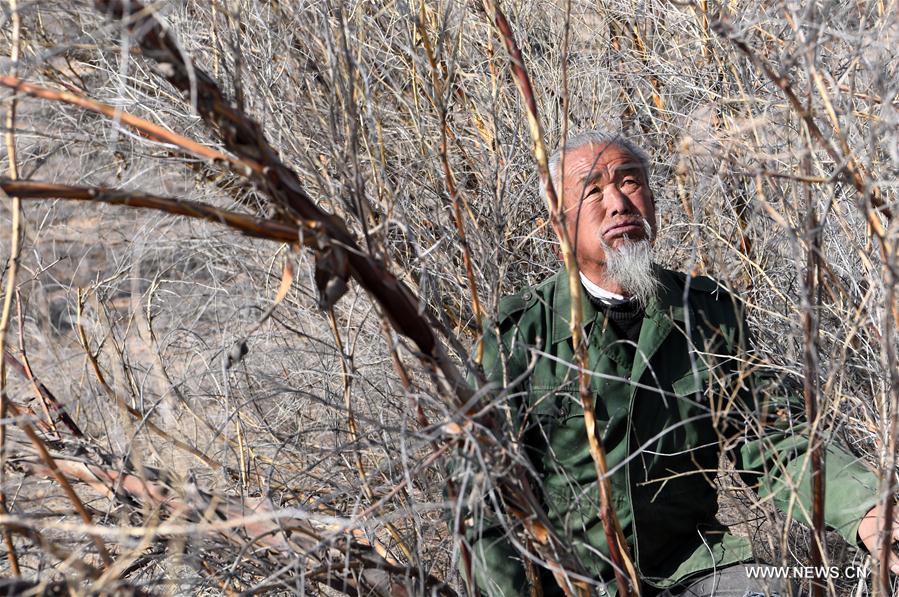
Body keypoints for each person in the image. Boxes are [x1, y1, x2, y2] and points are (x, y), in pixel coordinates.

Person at [465, 130, 899, 596]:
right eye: (592, 191)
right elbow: (483, 499)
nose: (618, 204)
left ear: (652, 203)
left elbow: (775, 439)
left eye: (630, 183)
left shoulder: (707, 312)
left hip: (692, 565)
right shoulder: (518, 335)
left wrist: (867, 509)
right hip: (573, 583)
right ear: (559, 223)